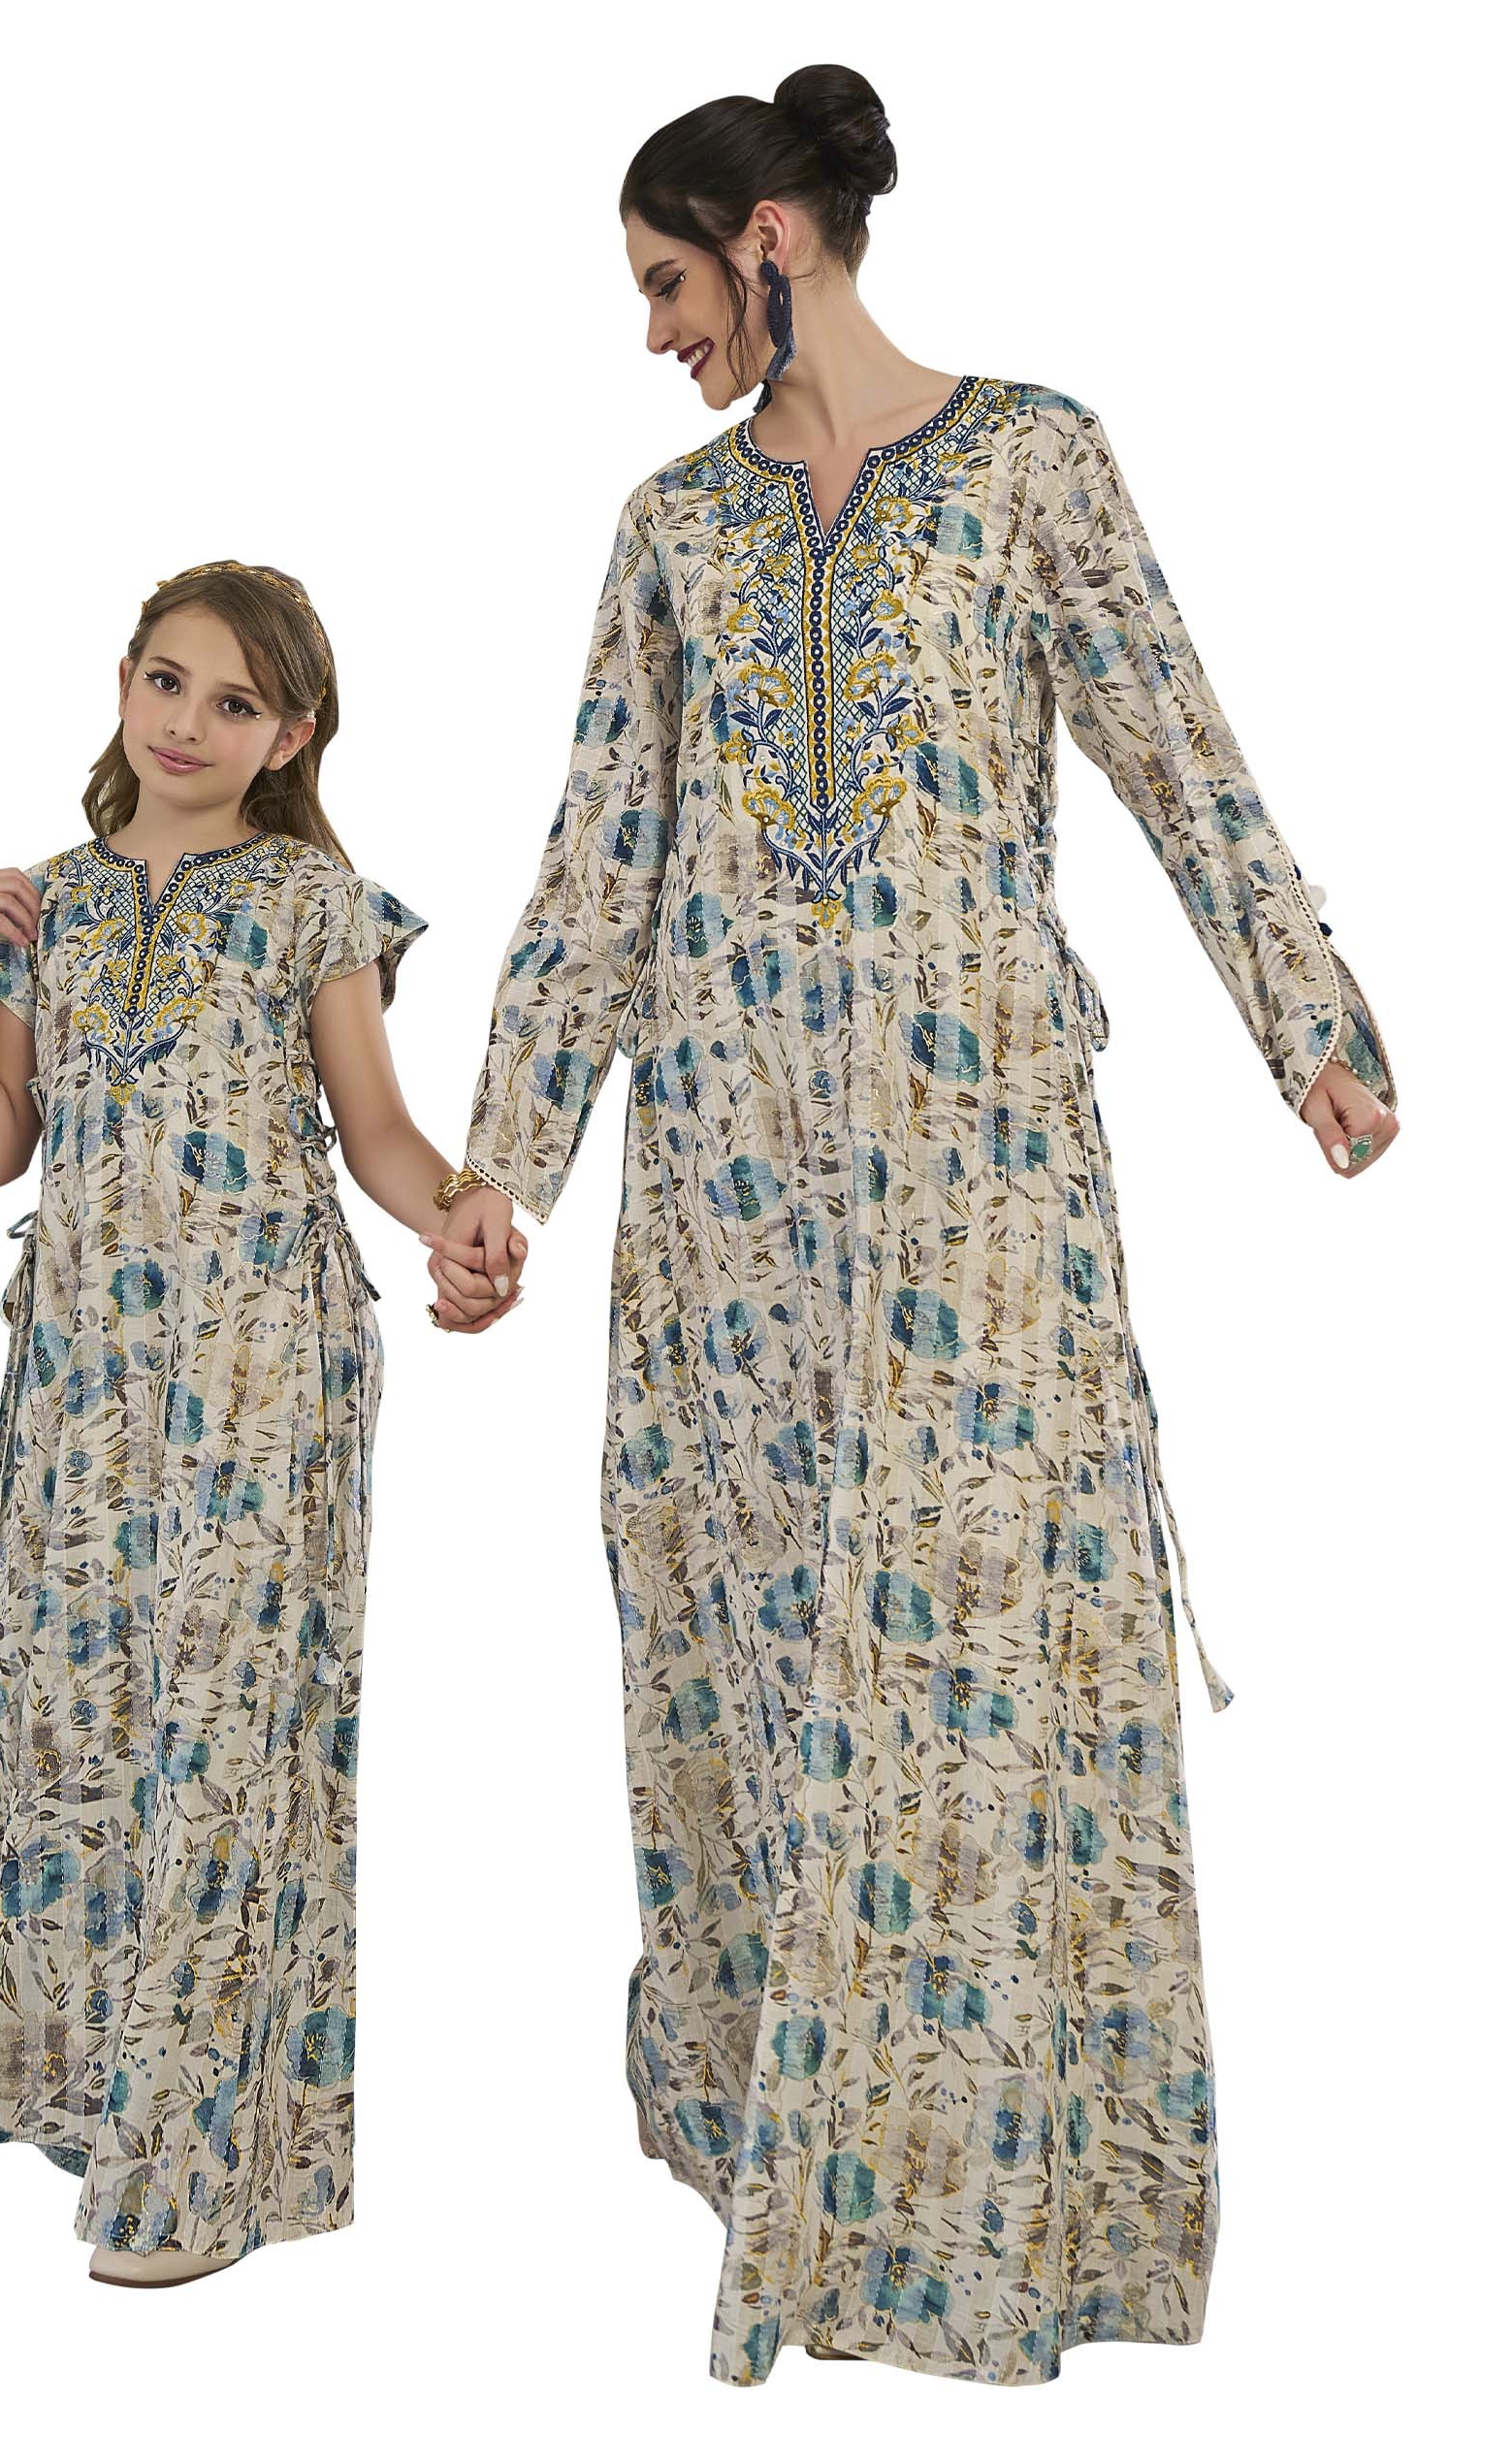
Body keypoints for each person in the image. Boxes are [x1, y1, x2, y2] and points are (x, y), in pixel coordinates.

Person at [431, 67, 1399, 2384]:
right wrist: (501, 1172)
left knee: (980, 1661)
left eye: (667, 281)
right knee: (760, 1648)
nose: (652, 333)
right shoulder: (671, 532)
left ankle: (1006, 2223)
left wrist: (1309, 1024)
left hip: (973, 1178)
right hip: (729, 1198)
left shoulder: (1032, 462)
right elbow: (592, 867)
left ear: (768, 238)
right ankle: (817, 2212)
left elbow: (1174, 745)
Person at [0, 559, 520, 2285]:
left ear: (288, 737)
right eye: (166, 682)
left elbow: (376, 1133)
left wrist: (462, 1210)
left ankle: (196, 2174)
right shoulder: (53, 905)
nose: (187, 722)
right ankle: (111, 2113)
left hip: (263, 1371)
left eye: (234, 702)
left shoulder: (313, 902)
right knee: (81, 1735)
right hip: (82, 1380)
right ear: (122, 681)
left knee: (231, 1741)